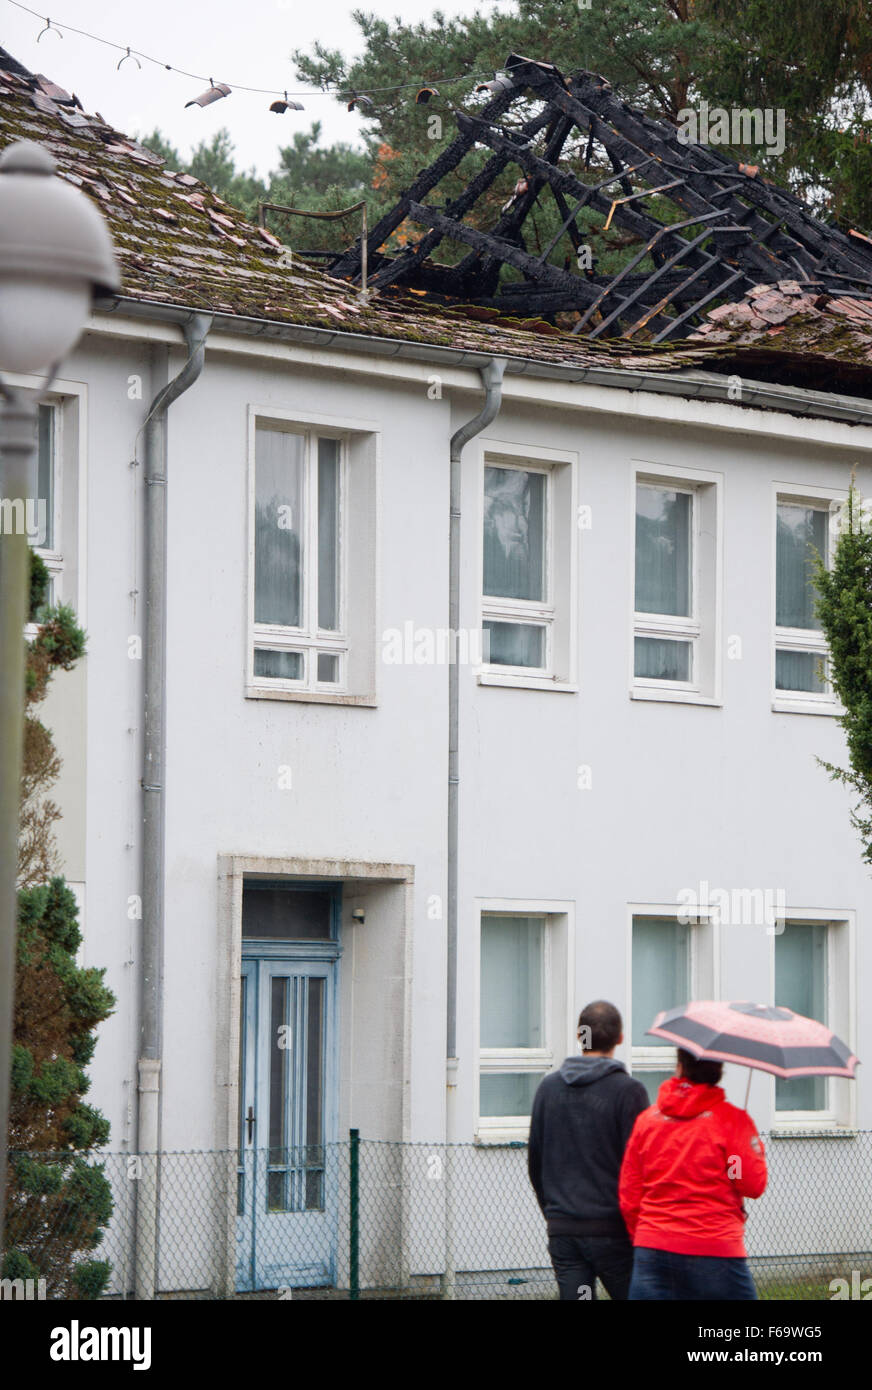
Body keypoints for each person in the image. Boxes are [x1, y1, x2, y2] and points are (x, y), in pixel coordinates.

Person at [619, 1049, 767, 1300]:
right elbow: (750, 1185)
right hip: (715, 1248)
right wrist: (743, 1153)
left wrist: (645, 1234)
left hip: (653, 1248)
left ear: (679, 1067)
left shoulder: (646, 1122)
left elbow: (630, 1194)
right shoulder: (731, 1121)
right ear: (718, 1072)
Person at [528, 999, 649, 1300]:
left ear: (579, 1036)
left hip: (565, 1231)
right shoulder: (629, 1092)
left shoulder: (548, 1089)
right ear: (620, 1038)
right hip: (615, 1233)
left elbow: (536, 1162)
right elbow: (641, 1166)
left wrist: (556, 1213)